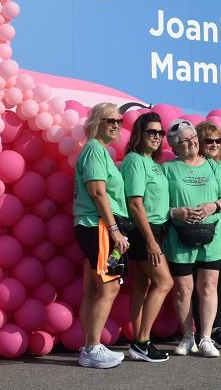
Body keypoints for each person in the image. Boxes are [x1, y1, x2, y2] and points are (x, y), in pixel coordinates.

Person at [163, 118, 221, 358]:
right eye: (185, 141)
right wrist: (176, 212)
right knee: (183, 288)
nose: (192, 143)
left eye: (193, 138)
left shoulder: (213, 166)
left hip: (212, 236)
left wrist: (213, 207)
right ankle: (187, 336)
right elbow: (159, 206)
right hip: (180, 236)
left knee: (208, 285)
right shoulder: (167, 169)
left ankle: (205, 338)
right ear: (174, 146)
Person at [73, 103, 130, 368]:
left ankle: (89, 345)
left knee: (94, 290)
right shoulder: (95, 150)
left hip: (93, 225)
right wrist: (114, 229)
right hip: (98, 226)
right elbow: (98, 192)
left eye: (119, 120)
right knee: (108, 288)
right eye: (111, 120)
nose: (117, 125)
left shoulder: (98, 151)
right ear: (97, 122)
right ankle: (92, 349)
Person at [120, 112, 174, 363]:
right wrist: (150, 240)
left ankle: (137, 343)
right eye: (151, 132)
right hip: (144, 231)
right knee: (165, 283)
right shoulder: (134, 160)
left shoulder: (154, 163)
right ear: (139, 134)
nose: (156, 137)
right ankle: (142, 342)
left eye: (159, 133)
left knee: (142, 286)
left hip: (157, 229)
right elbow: (135, 203)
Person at [191, 121, 221, 350]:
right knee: (197, 284)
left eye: (217, 140)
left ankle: (217, 329)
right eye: (208, 140)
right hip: (197, 232)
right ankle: (200, 330)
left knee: (220, 283)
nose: (213, 144)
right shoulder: (192, 166)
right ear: (198, 142)